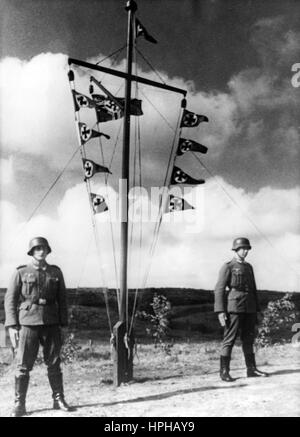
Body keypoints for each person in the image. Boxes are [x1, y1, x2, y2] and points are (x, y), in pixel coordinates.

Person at [5, 237, 71, 417]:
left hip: (51, 322)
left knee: (54, 363)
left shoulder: (55, 272)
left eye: (44, 248)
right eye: (37, 249)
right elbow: (10, 300)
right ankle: (20, 404)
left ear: (48, 251)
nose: (41, 251)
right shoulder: (21, 272)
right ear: (32, 252)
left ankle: (58, 399)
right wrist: (12, 326)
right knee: (23, 365)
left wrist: (64, 324)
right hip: (28, 323)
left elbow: (62, 300)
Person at [214, 237, 269, 382]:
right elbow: (219, 289)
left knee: (248, 338)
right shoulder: (228, 266)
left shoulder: (249, 267)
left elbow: (253, 289)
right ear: (236, 249)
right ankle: (224, 371)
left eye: (247, 249)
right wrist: (220, 311)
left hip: (249, 307)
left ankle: (251, 369)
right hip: (234, 308)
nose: (245, 251)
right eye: (243, 249)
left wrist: (257, 309)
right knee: (229, 339)